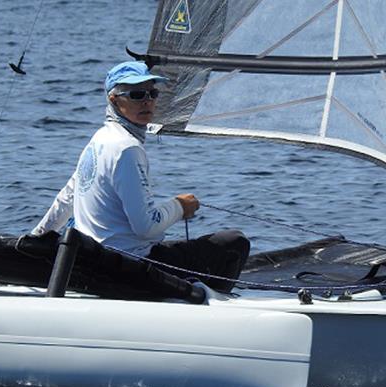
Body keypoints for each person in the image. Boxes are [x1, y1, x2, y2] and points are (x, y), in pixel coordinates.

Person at [31, 61, 249, 293]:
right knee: (234, 243)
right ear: (114, 100)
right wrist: (179, 206)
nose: (147, 101)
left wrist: (36, 236)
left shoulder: (100, 138)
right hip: (127, 268)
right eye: (136, 94)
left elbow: (67, 197)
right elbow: (146, 227)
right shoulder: (127, 149)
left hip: (93, 261)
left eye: (152, 93)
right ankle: (207, 308)